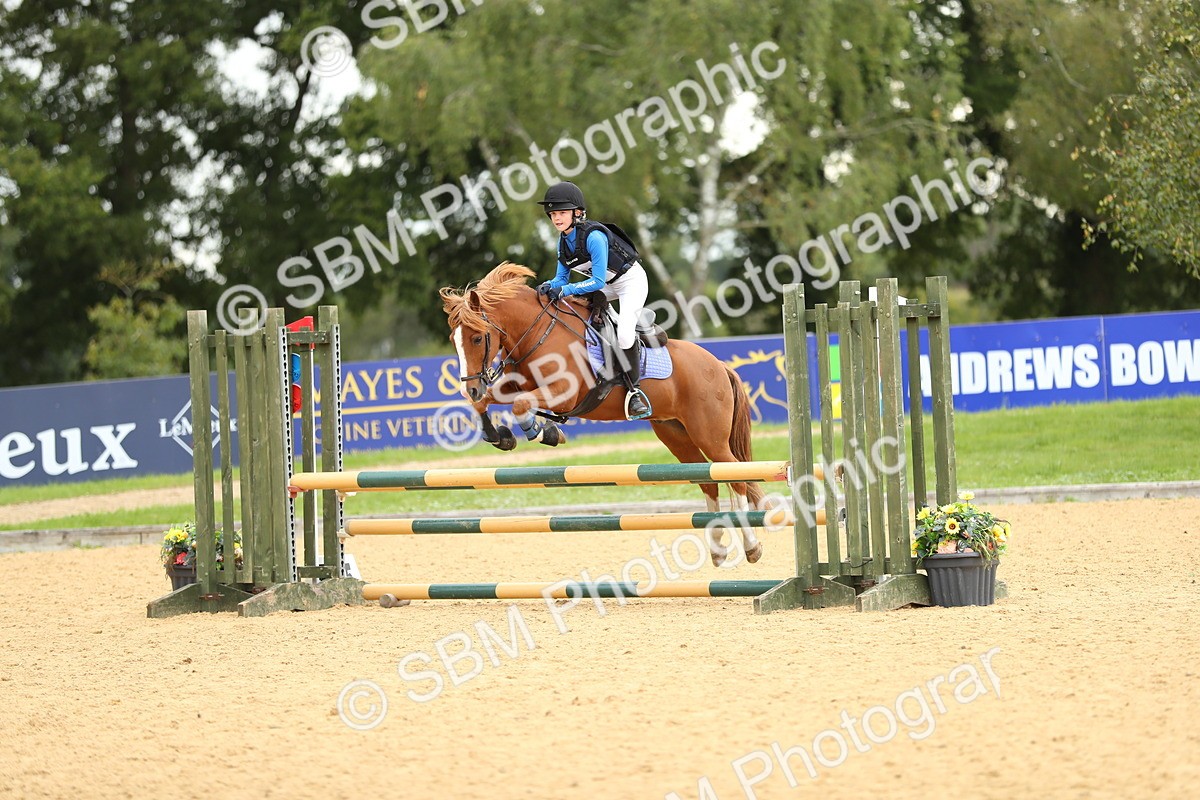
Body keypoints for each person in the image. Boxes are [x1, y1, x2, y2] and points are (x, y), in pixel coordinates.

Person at [535, 181, 652, 420]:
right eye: (553, 214)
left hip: (630, 282)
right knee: (565, 307)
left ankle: (635, 392)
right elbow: (561, 278)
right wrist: (548, 286)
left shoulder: (594, 237)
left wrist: (565, 289)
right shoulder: (562, 242)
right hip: (607, 285)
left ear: (577, 213)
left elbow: (597, 281)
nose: (556, 219)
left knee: (625, 334)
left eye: (562, 213)